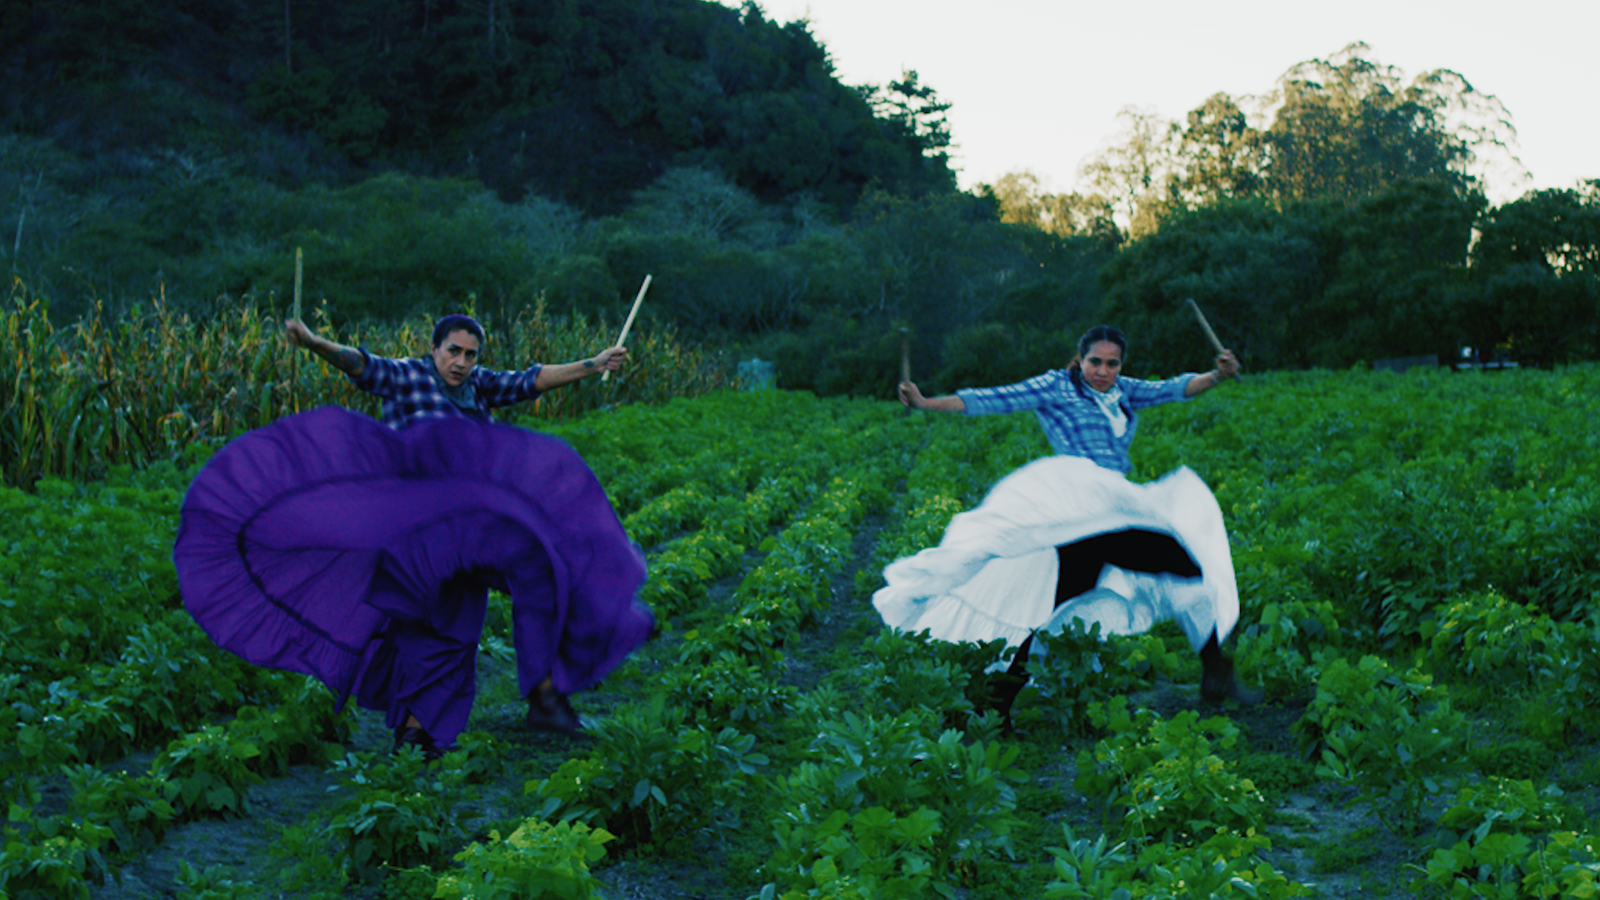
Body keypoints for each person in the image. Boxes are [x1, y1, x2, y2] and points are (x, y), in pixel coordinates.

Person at [174, 314, 653, 760]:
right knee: (441, 627)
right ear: (433, 350)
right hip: (419, 534)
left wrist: (594, 364)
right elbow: (360, 365)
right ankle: (416, 732)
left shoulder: (479, 387)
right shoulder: (406, 376)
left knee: (544, 567)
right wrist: (316, 343)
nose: (461, 363)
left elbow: (532, 379)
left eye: (470, 355)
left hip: (474, 529)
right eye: (453, 351)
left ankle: (546, 694)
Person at [878, 324, 1254, 731]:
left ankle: (996, 705)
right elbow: (991, 399)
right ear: (1080, 359)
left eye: (1112, 364)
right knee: (1181, 563)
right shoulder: (1056, 387)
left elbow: (1174, 388)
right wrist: (925, 402)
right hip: (1077, 509)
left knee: (1058, 606)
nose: (1103, 371)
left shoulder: (1123, 391)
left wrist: (1217, 375)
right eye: (1095, 362)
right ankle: (1216, 671)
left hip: (1109, 508)